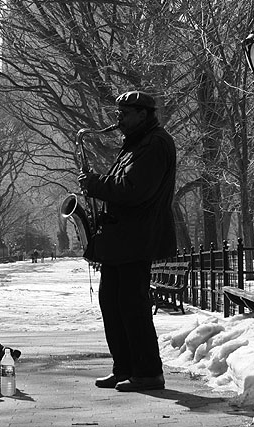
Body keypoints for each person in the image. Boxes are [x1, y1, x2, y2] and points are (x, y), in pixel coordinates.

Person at [77, 90, 176, 392]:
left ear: (143, 114)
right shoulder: (134, 145)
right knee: (112, 303)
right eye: (118, 112)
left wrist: (95, 184)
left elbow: (133, 190)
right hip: (122, 240)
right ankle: (124, 367)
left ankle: (148, 372)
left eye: (124, 113)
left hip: (138, 238)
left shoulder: (156, 143)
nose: (117, 119)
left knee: (132, 306)